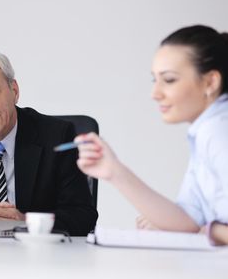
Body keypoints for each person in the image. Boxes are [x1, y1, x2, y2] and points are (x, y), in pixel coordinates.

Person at [76, 25, 228, 245]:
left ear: (210, 82)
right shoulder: (204, 131)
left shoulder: (218, 130)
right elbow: (187, 221)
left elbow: (196, 229)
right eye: (154, 80)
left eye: (169, 80)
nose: (155, 94)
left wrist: (208, 232)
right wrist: (114, 172)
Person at [0, 50, 97, 236]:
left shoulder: (56, 135)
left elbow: (82, 216)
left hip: (38, 258)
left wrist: (24, 221)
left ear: (14, 91)